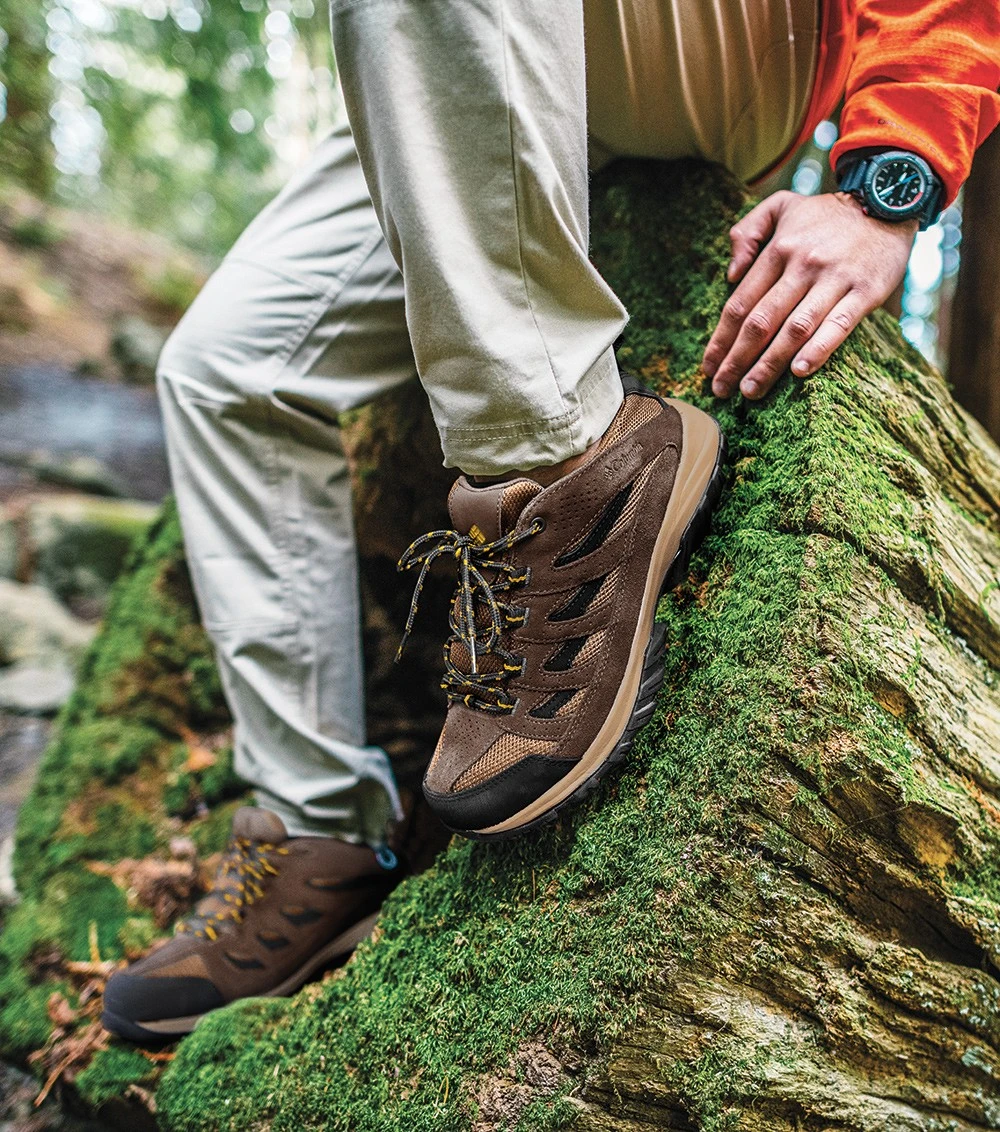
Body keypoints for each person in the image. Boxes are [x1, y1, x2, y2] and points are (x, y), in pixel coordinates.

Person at [101, 0, 1000, 1043]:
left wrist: (890, 176)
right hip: (475, 46)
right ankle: (319, 827)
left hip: (729, 46)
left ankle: (559, 466)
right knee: (226, 371)